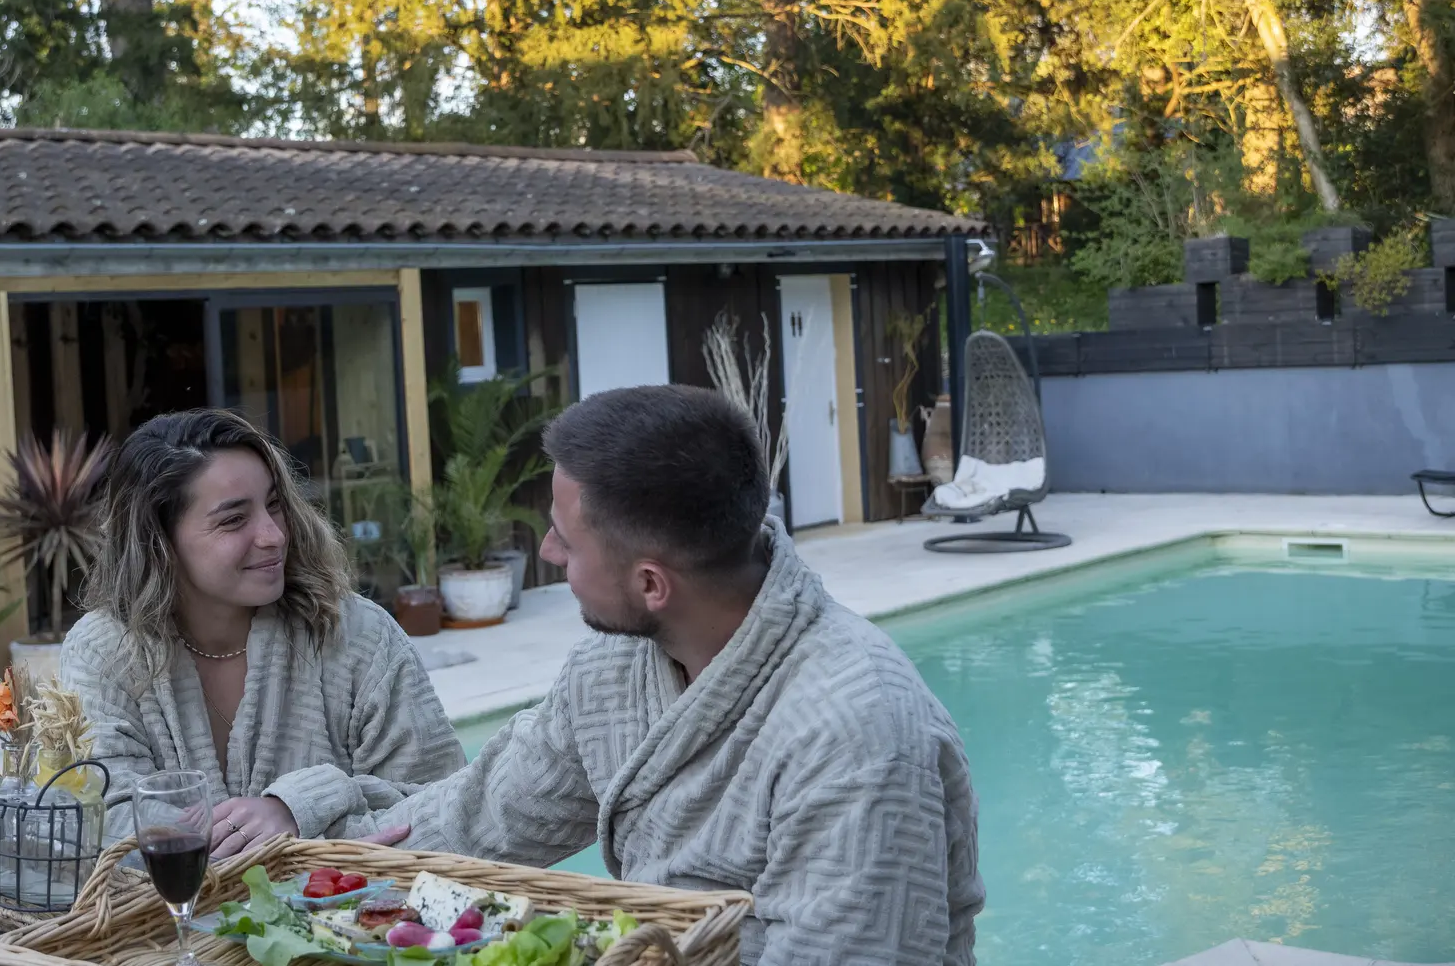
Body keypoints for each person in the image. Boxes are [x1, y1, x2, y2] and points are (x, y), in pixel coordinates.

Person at [228, 385, 983, 965]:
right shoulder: (618, 668)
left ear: (652, 584)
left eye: (566, 536)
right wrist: (315, 857)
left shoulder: (854, 732)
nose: (549, 552)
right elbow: (479, 818)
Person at [62, 408, 460, 857]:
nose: (273, 535)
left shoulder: (356, 633)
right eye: (233, 520)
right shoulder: (103, 653)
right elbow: (106, 826)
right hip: (170, 927)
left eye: (274, 505)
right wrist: (320, 842)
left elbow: (440, 801)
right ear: (159, 541)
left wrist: (298, 805)